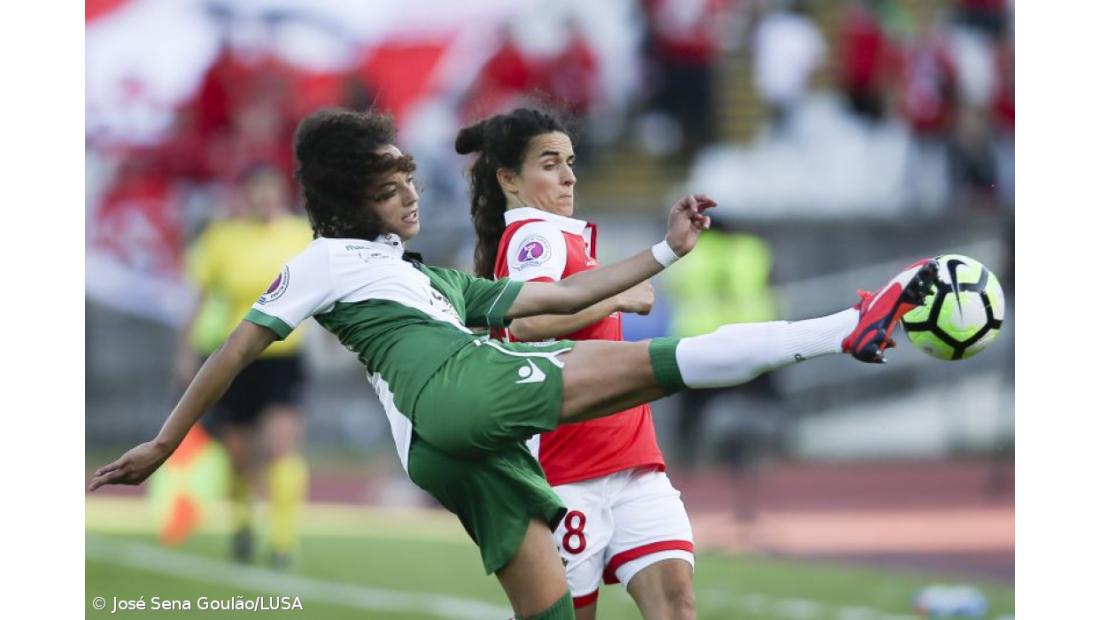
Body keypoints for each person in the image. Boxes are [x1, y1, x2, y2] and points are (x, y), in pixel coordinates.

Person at [90, 108, 937, 620]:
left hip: (450, 450)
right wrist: (165, 444)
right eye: (392, 189)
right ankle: (844, 328)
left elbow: (553, 304)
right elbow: (234, 347)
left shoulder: (426, 276)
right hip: (459, 396)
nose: (413, 197)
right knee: (664, 365)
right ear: (350, 201)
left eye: (412, 181)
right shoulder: (318, 261)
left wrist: (660, 254)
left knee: (551, 613)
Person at [462, 107, 693, 619]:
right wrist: (616, 297)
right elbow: (527, 323)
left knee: (678, 606)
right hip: (568, 473)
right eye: (550, 164)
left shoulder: (562, 236)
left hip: (632, 460)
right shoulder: (533, 237)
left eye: (570, 161)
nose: (569, 176)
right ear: (509, 180)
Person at [174, 163, 313, 567]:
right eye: (257, 191)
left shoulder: (300, 234)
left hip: (284, 355)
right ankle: (242, 523)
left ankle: (283, 543)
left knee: (280, 446)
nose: (264, 199)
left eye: (271, 191)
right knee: (238, 453)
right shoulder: (222, 239)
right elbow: (197, 299)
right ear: (244, 197)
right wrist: (184, 353)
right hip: (235, 356)